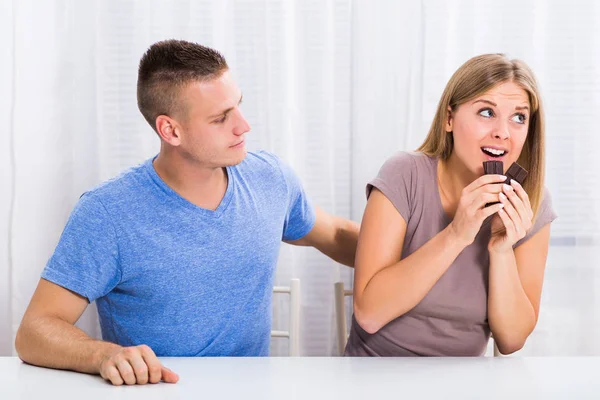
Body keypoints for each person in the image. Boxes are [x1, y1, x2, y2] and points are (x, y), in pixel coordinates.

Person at [15, 39, 359, 385]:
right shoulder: (108, 213)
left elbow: (335, 235)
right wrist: (103, 354)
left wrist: (408, 256)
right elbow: (34, 331)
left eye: (238, 106)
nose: (243, 126)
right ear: (171, 130)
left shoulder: (270, 178)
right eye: (220, 118)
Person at [346, 53, 557, 357]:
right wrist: (458, 234)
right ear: (449, 118)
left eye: (519, 117)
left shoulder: (533, 201)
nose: (503, 132)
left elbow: (511, 340)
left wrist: (501, 249)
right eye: (487, 112)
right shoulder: (405, 174)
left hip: (464, 383)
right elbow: (369, 312)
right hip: (375, 375)